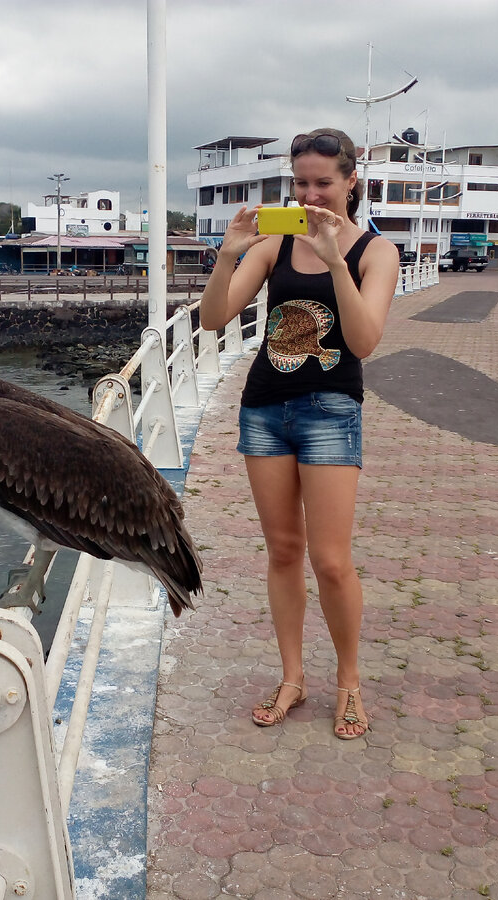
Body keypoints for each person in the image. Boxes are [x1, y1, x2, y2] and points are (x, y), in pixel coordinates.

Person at [197, 128, 399, 740]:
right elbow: (211, 318)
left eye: (323, 183)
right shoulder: (275, 243)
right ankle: (292, 677)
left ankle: (349, 683)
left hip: (330, 411)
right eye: (301, 183)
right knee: (284, 551)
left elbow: (363, 341)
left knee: (331, 560)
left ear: (350, 182)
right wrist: (231, 251)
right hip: (265, 409)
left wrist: (335, 257)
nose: (311, 194)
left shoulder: (374, 252)